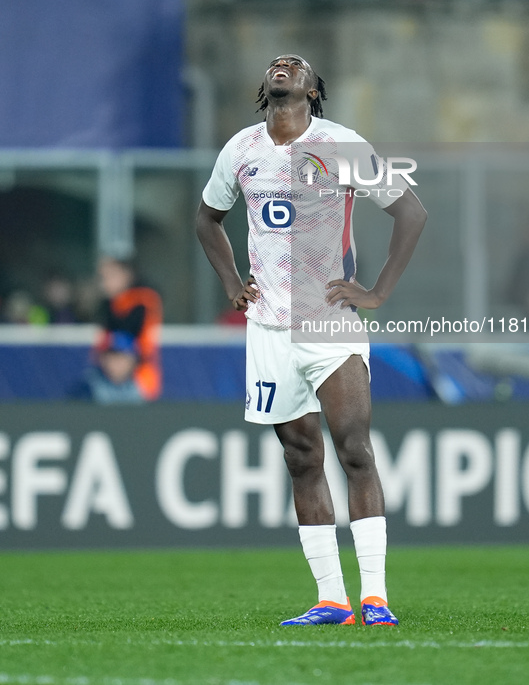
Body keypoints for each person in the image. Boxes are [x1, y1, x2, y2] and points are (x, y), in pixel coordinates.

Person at [196, 54, 427, 626]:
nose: (285, 64)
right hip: (269, 327)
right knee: (301, 458)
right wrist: (230, 281)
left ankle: (375, 597)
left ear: (313, 90)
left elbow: (411, 213)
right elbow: (207, 219)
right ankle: (332, 600)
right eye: (277, 63)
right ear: (263, 88)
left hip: (329, 323)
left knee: (354, 449)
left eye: (297, 65)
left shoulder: (341, 144)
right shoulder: (241, 149)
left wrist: (374, 292)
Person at [79, 256, 163, 404]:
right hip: (107, 375)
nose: (104, 283)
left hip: (139, 375)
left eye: (110, 276)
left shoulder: (142, 299)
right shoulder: (111, 303)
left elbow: (126, 335)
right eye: (102, 278)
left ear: (126, 275)